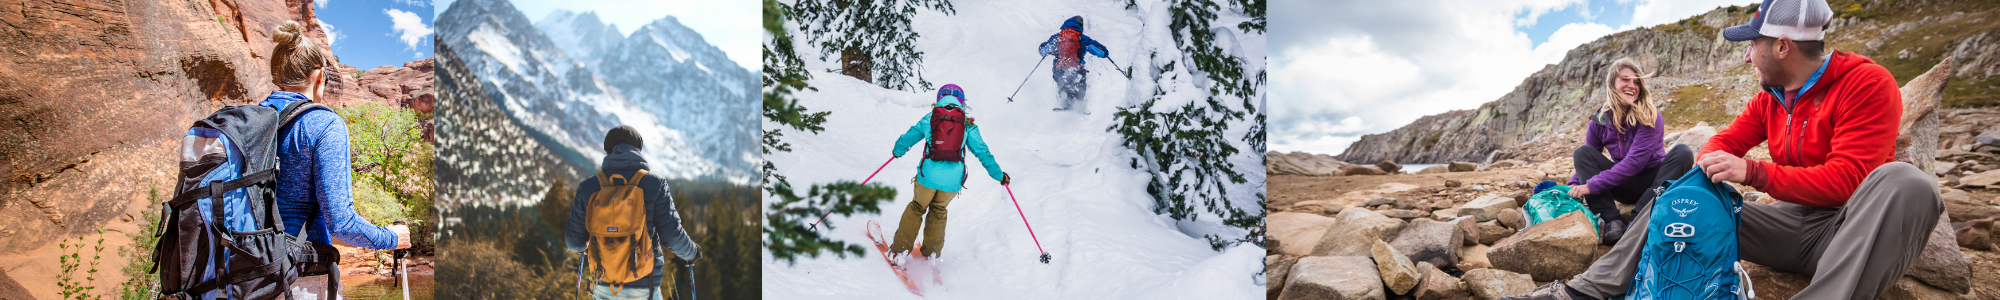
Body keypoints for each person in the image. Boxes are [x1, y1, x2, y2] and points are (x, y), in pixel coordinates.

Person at [1504, 0, 1942, 299]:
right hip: (1794, 226)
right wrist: (1714, 169)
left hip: (1851, 231)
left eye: (1753, 44)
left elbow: (1847, 181)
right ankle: (1586, 290)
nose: (1748, 56)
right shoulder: (1770, 97)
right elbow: (1723, 142)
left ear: (1782, 46)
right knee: (1674, 195)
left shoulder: (1865, 83)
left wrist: (1752, 173)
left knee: (1908, 182)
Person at [258, 20, 412, 298]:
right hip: (299, 275)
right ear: (319, 75)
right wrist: (393, 238)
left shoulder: (249, 121)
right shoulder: (323, 123)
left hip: (241, 274)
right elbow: (341, 222)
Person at [1566, 58, 1694, 246]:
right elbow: (1587, 158)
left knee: (1683, 152)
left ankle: (1638, 219)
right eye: (1625, 80)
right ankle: (1612, 221)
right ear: (1612, 83)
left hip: (1654, 182)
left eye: (1636, 82)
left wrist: (1592, 186)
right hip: (1623, 185)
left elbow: (1635, 162)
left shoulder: (1650, 115)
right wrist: (1573, 186)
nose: (1632, 86)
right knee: (1581, 153)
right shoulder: (1599, 119)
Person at [565, 125, 701, 300]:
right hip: (644, 285)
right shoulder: (655, 184)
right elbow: (672, 236)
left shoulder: (588, 187)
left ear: (608, 151)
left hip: (603, 283)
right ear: (638, 149)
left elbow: (573, 242)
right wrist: (692, 253)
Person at [887, 84, 1008, 262]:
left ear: (939, 98)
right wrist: (1000, 175)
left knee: (917, 208)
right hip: (952, 183)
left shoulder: (931, 117)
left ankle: (899, 252)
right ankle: (930, 256)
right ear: (962, 102)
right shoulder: (968, 123)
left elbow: (909, 136)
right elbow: (983, 152)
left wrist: (898, 151)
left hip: (927, 177)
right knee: (938, 210)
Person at [1038, 16, 1109, 112]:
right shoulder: (1081, 37)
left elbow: (1042, 50)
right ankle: (1079, 104)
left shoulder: (1057, 36)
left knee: (1061, 82)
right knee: (1080, 83)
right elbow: (1101, 51)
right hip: (1076, 69)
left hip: (1059, 69)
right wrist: (1105, 53)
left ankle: (1062, 100)